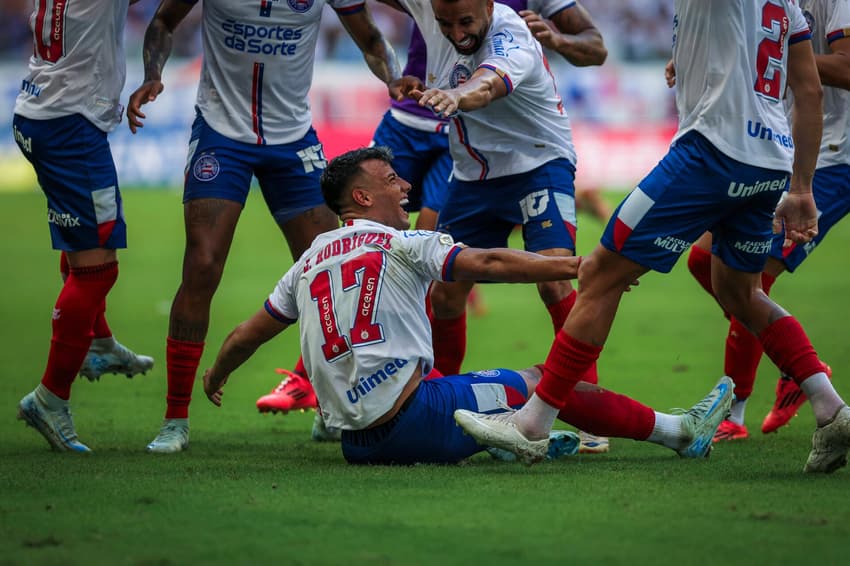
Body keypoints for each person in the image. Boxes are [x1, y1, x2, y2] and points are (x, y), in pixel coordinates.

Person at [455, 0, 850, 474]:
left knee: (601, 273)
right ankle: (829, 408)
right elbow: (809, 89)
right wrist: (802, 186)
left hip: (709, 153)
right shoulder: (788, 5)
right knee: (739, 290)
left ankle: (532, 424)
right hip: (769, 160)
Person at [202, 146, 733, 465]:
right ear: (361, 199)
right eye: (390, 181)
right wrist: (577, 266)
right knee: (544, 381)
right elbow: (492, 263)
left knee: (462, 389)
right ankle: (678, 432)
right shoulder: (402, 244)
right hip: (413, 422)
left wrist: (216, 375)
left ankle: (520, 435)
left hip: (355, 444)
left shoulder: (309, 260)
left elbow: (245, 335)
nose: (405, 186)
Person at [254, 0, 611, 453]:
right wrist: (394, 72)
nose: (456, 33)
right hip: (473, 172)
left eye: (465, 22)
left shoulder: (512, 32)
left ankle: (588, 412)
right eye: (444, 24)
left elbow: (486, 85)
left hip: (537, 160)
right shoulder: (429, 7)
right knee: (444, 294)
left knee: (555, 278)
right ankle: (436, 398)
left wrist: (457, 95)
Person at [126, 0, 402, 453]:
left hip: (292, 138)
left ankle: (331, 405)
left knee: (333, 273)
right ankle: (175, 419)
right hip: (221, 133)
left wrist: (393, 79)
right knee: (202, 266)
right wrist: (153, 74)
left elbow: (371, 38)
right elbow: (162, 21)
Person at [682, 0, 850, 441]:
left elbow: (847, 69)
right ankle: (799, 364)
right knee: (704, 262)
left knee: (752, 280)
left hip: (836, 159)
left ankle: (734, 415)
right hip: (783, 147)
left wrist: (776, 52)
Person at [14, 0, 155, 453]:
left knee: (84, 241)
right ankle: (50, 397)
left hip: (43, 110)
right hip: (70, 124)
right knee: (98, 267)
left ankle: (99, 341)